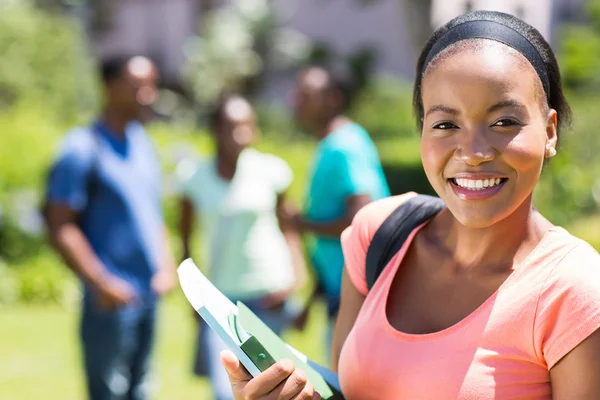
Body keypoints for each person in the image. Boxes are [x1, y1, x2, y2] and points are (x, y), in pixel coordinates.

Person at [219, 10, 600, 399]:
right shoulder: (380, 235)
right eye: (445, 125)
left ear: (549, 131)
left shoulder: (574, 292)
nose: (473, 152)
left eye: (503, 122)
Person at [43, 55, 176, 400]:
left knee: (142, 389)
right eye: (138, 86)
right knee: (108, 392)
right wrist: (102, 282)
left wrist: (165, 265)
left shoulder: (143, 144)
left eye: (152, 85)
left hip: (149, 295)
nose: (148, 95)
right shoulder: (81, 149)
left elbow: (152, 214)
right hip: (109, 301)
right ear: (110, 87)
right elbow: (60, 227)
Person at [176, 94, 307, 400]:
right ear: (215, 130)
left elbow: (288, 227)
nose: (240, 134)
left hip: (269, 294)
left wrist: (296, 278)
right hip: (221, 297)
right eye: (231, 126)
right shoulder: (193, 178)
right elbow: (185, 238)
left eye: (247, 126)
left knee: (272, 387)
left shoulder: (271, 171)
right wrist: (192, 294)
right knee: (226, 389)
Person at [281, 65, 390, 359]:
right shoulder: (329, 144)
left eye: (307, 95)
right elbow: (334, 245)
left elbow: (361, 220)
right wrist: (310, 302)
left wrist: (298, 224)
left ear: (333, 99)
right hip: (339, 293)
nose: (297, 101)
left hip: (359, 296)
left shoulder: (345, 145)